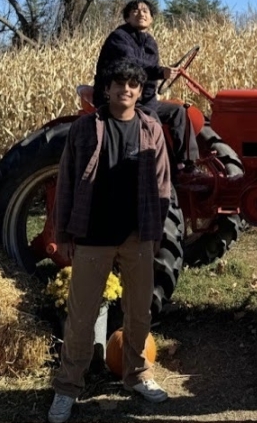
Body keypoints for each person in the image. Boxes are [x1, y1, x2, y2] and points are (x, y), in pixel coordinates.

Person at [47, 60, 171, 423]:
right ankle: (67, 388)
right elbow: (67, 180)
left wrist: (156, 231)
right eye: (119, 84)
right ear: (107, 89)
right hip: (93, 236)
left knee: (138, 312)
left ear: (140, 90)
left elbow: (162, 184)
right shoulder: (86, 129)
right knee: (81, 317)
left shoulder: (151, 128)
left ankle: (137, 375)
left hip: (136, 236)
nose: (126, 90)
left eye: (133, 84)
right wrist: (64, 233)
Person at [93, 0, 198, 168]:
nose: (141, 13)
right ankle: (162, 169)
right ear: (127, 18)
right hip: (118, 98)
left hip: (144, 99)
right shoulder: (119, 38)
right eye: (135, 10)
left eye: (145, 11)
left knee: (180, 112)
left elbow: (149, 79)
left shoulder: (150, 42)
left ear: (151, 19)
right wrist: (160, 72)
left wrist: (154, 93)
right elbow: (131, 65)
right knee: (151, 120)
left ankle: (187, 164)